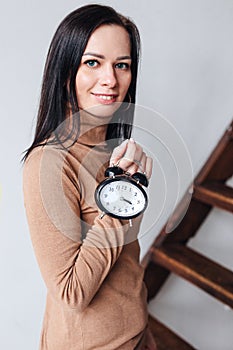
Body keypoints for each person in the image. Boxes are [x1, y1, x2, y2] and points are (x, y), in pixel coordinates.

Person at [22, 4, 156, 350]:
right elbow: (72, 292)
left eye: (122, 65)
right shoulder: (49, 162)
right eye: (92, 62)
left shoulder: (110, 150)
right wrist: (123, 198)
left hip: (137, 333)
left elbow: (122, 262)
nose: (111, 79)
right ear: (66, 71)